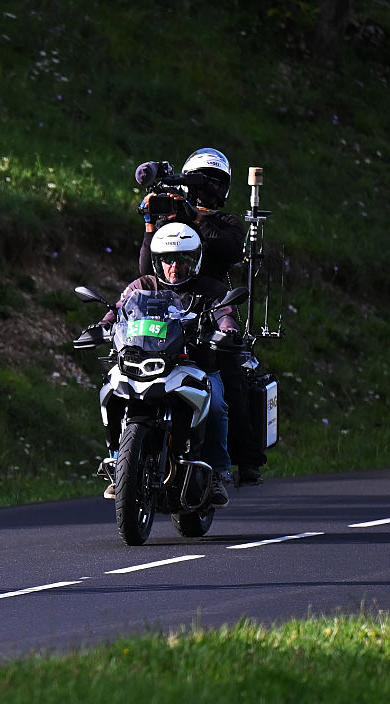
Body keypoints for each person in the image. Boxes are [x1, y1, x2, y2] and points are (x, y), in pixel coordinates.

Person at [136, 148, 265, 486]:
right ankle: (133, 455)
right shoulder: (171, 220)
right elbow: (147, 265)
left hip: (211, 302)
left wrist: (195, 217)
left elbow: (228, 249)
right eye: (202, 180)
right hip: (169, 305)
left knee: (230, 375)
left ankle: (245, 459)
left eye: (215, 182)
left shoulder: (227, 222)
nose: (208, 187)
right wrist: (151, 223)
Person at [100, 222, 236, 507]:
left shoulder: (210, 289)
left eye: (182, 260)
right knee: (110, 392)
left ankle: (216, 474)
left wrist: (227, 327)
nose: (174, 266)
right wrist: (103, 325)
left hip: (197, 365)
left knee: (218, 405)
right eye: (167, 260)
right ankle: (117, 464)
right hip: (144, 362)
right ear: (157, 261)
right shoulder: (142, 286)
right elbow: (120, 308)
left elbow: (225, 311)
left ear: (195, 260)